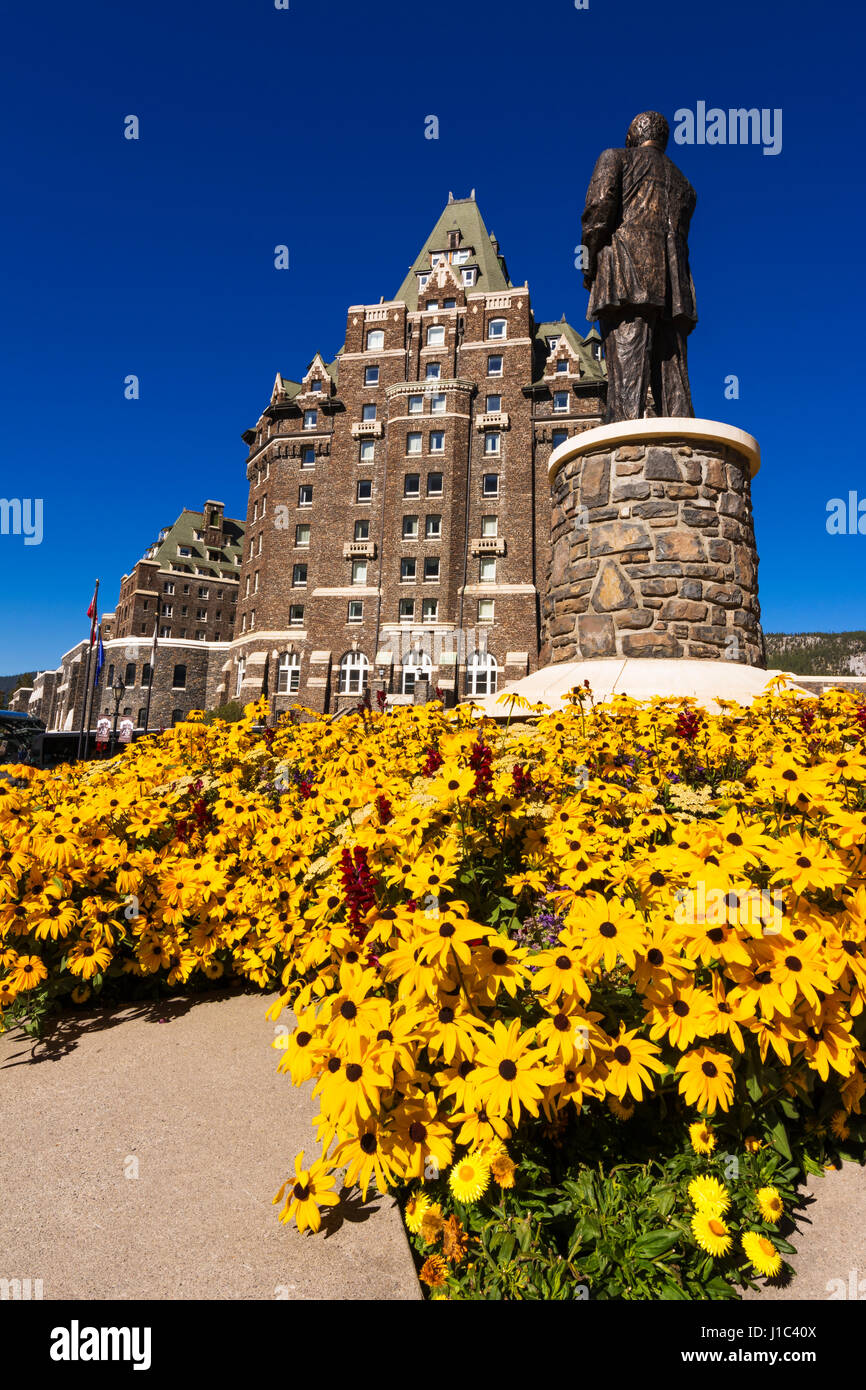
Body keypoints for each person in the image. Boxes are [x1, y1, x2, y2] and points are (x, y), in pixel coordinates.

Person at [582, 110, 698, 423]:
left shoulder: (615, 158)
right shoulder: (685, 186)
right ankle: (685, 446)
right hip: (675, 291)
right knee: (673, 379)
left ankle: (624, 450)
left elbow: (598, 212)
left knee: (625, 376)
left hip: (627, 277)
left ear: (633, 134)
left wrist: (588, 263)